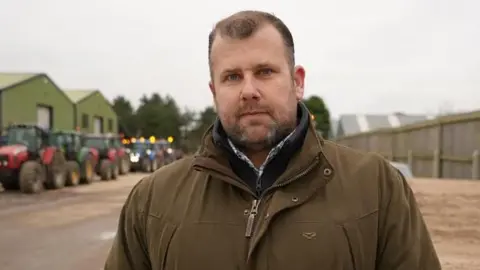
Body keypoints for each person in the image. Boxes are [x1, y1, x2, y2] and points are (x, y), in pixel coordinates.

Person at [104, 10, 441, 270]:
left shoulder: (377, 186)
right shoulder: (152, 201)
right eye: (232, 77)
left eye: (265, 71)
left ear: (297, 82)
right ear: (214, 92)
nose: (249, 91)